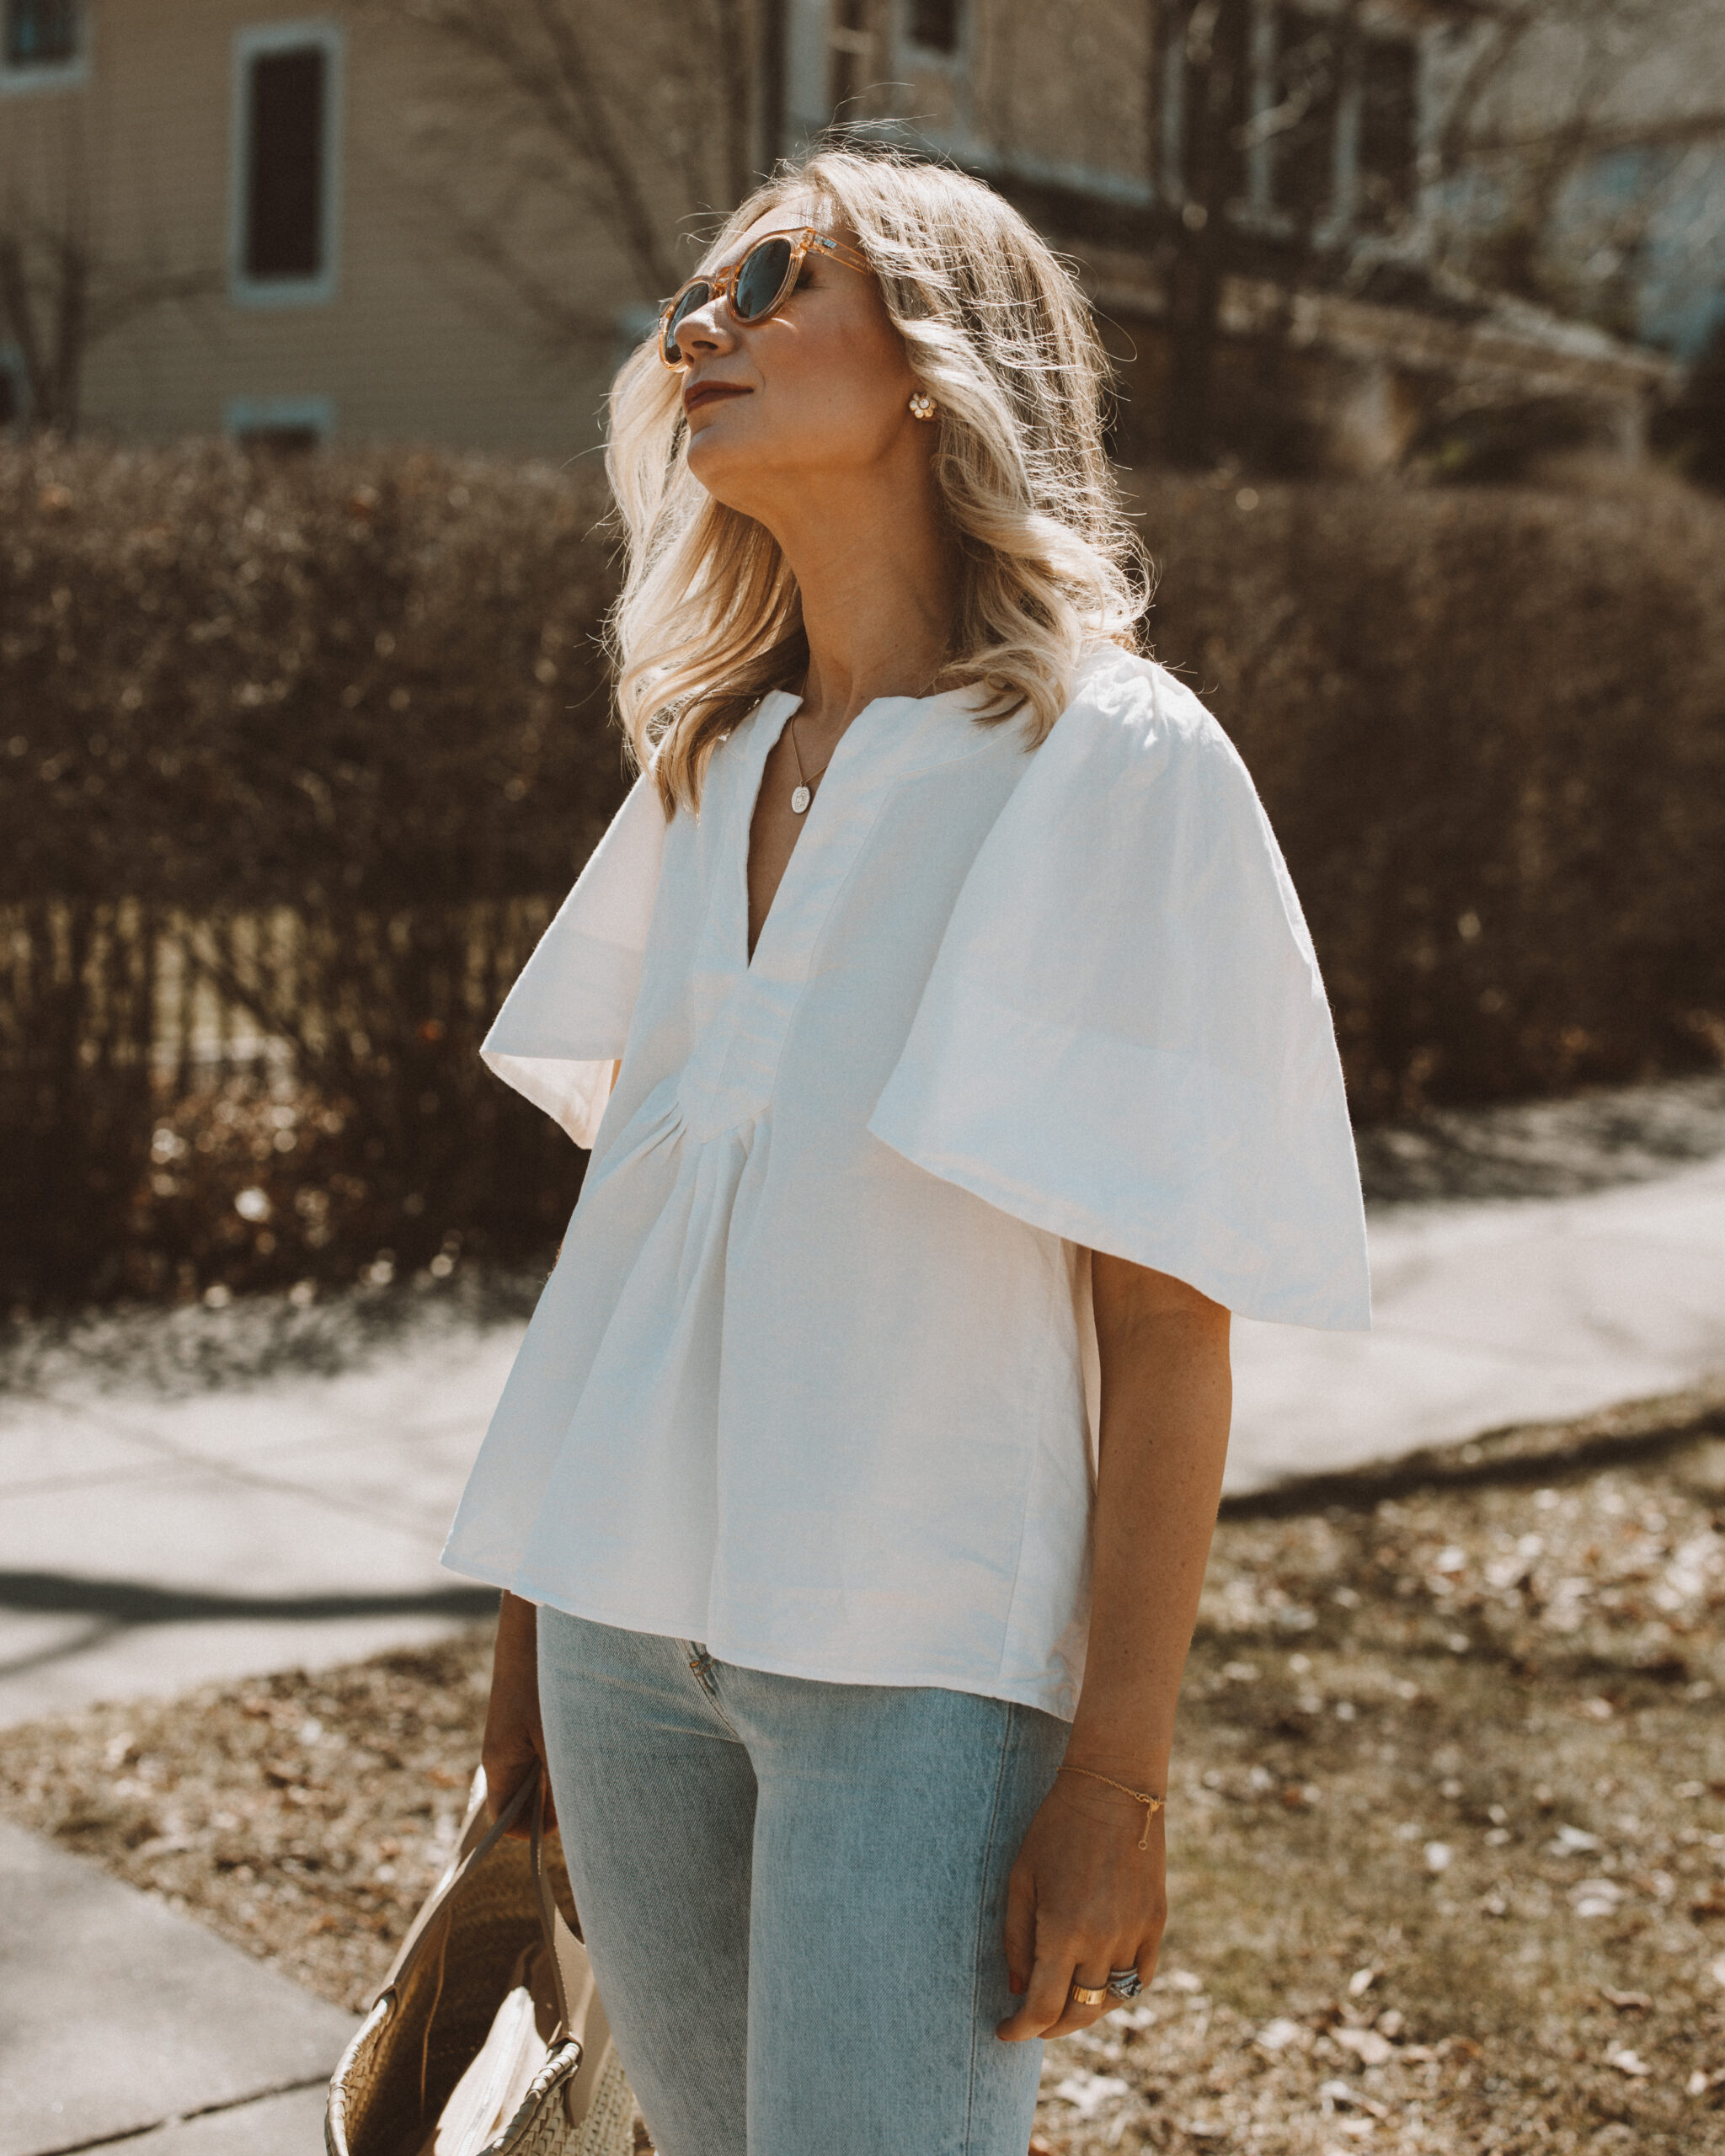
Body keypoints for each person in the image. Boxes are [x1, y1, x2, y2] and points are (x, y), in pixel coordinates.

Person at [442, 146, 1370, 2156]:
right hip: (624, 1650)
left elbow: (1162, 1310)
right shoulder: (708, 757)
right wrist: (532, 1624)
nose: (703, 321)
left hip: (922, 1675)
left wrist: (1119, 1769)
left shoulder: (1109, 763)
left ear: (947, 357)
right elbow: (630, 1218)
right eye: (692, 288)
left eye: (772, 275)